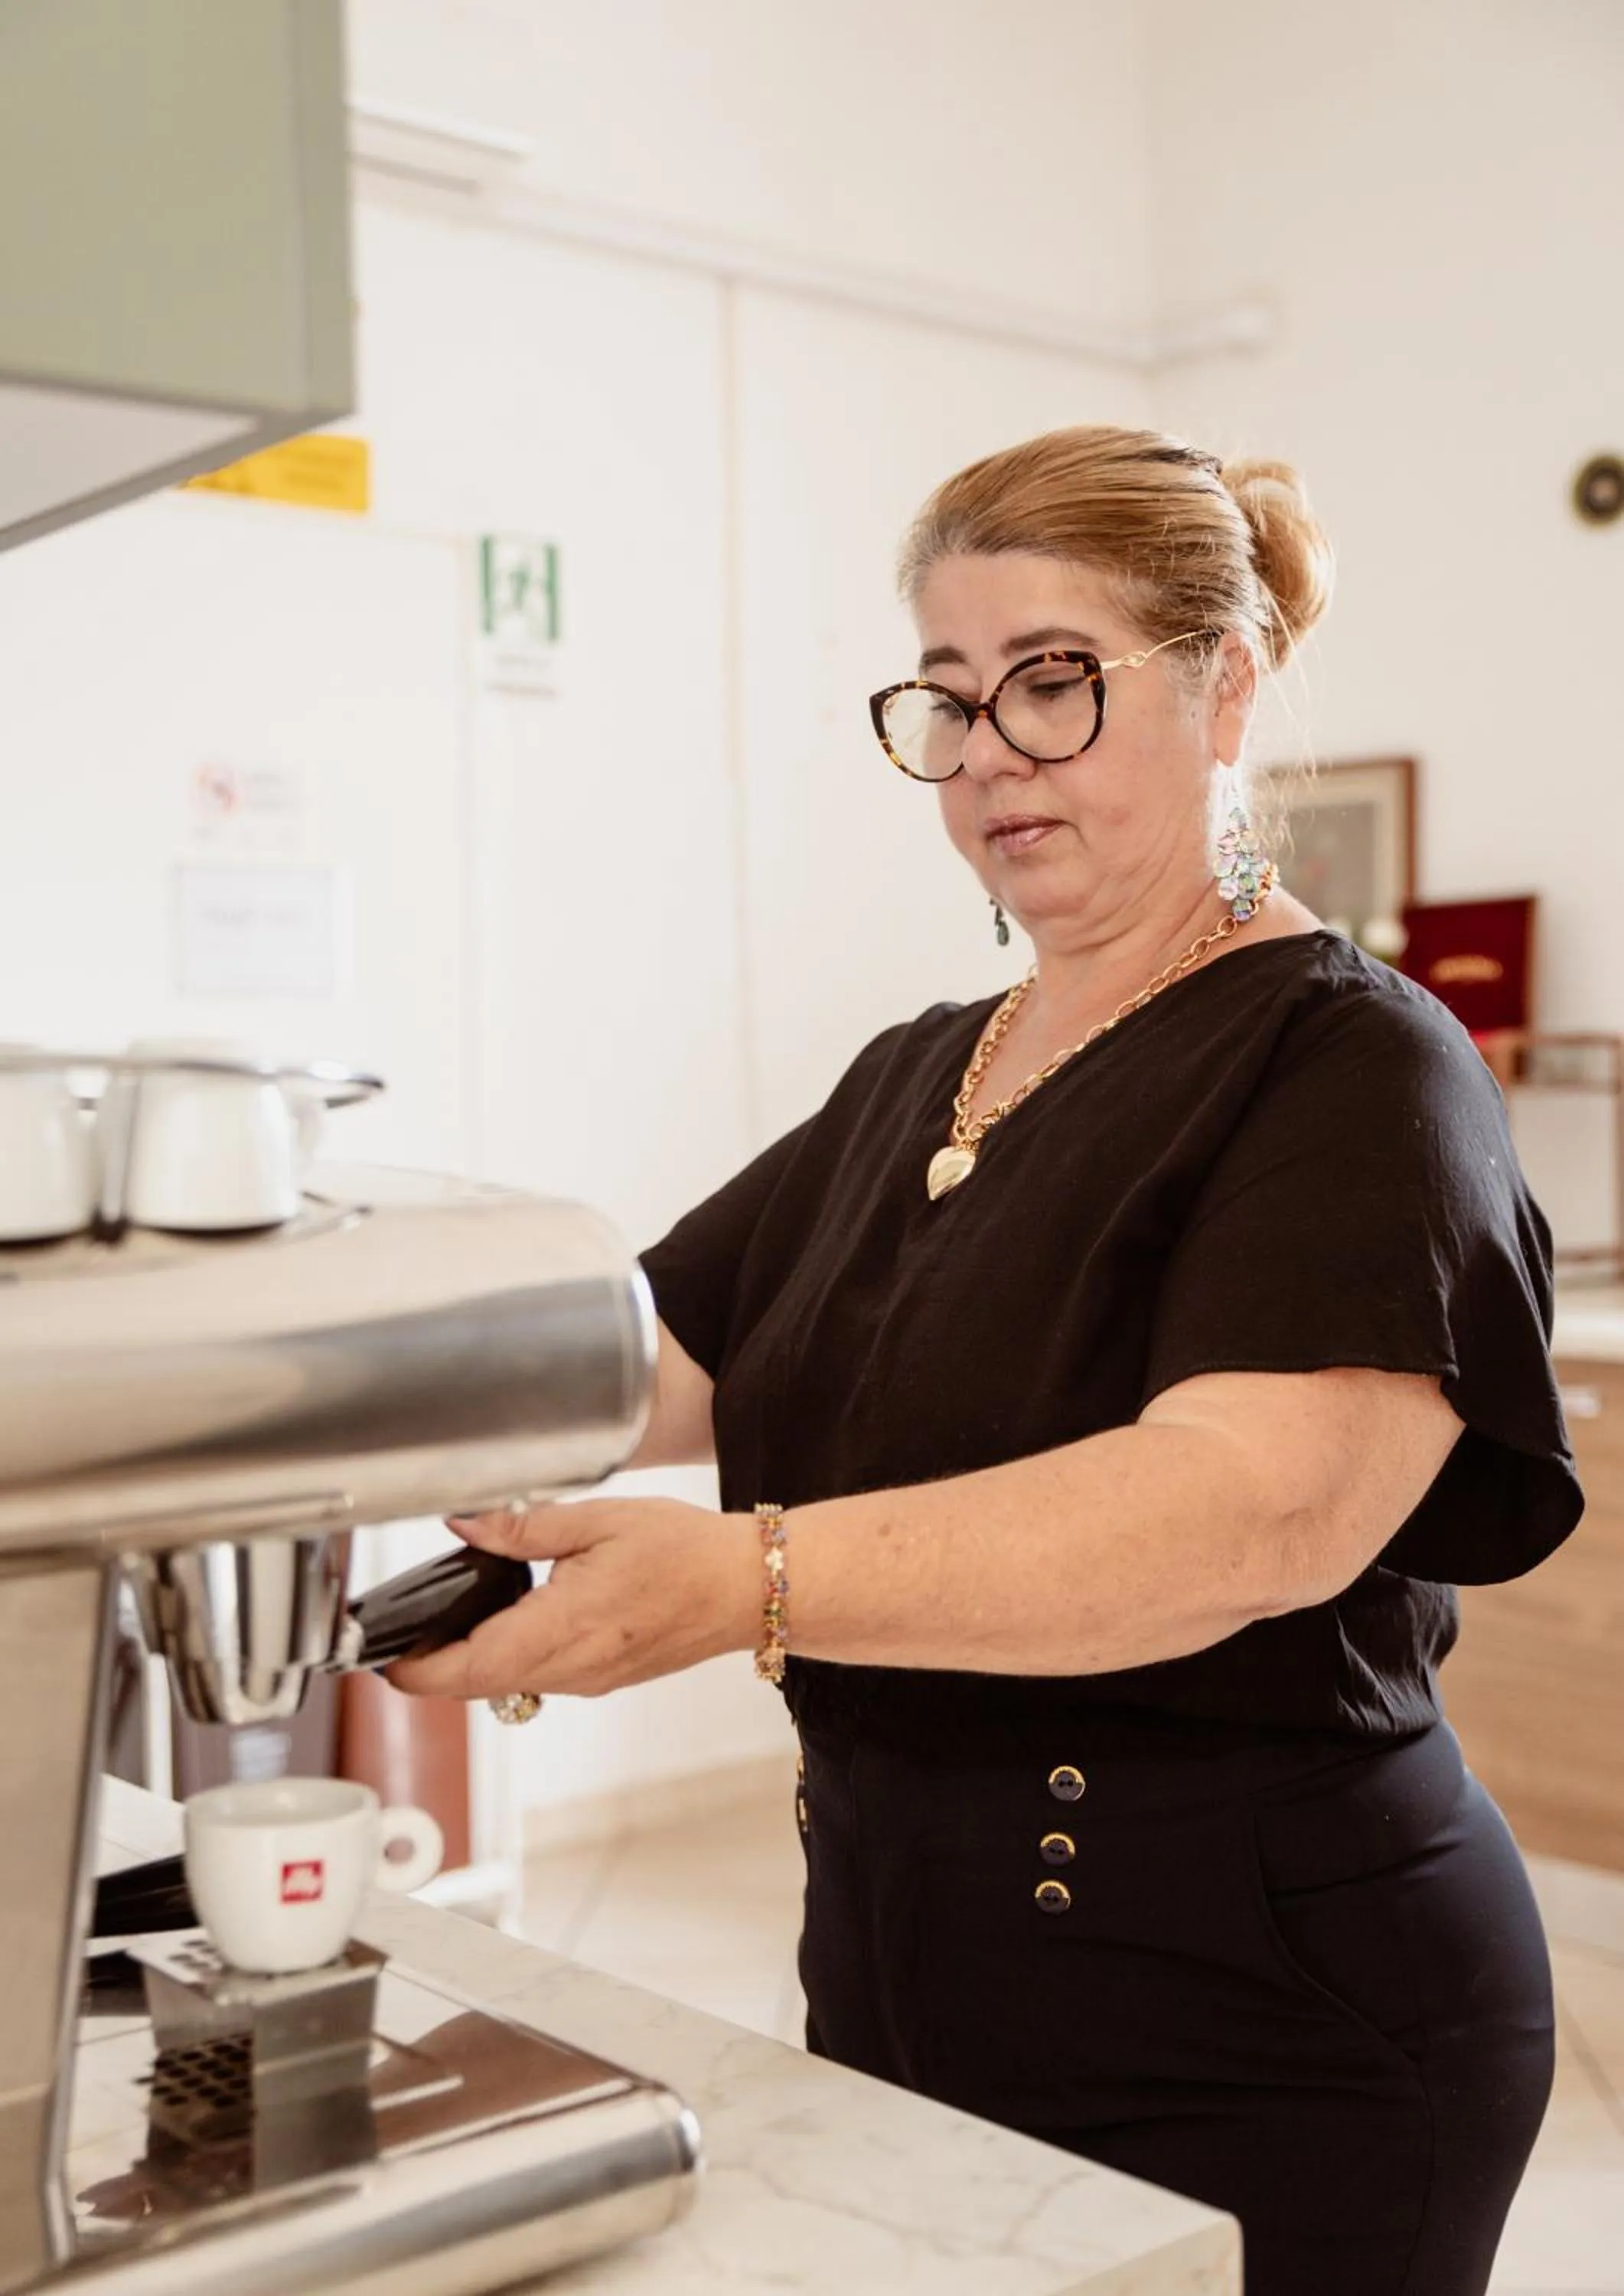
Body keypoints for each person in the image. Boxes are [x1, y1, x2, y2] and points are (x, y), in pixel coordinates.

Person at [394, 426, 1583, 2296]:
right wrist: (269, 1384)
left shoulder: (1355, 1068)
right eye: (947, 704)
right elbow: (641, 1351)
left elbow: (1241, 1518)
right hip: (901, 1972)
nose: (986, 762)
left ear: (1223, 687)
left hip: (1274, 2020)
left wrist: (746, 1583)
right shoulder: (918, 1072)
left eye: (1052, 686)